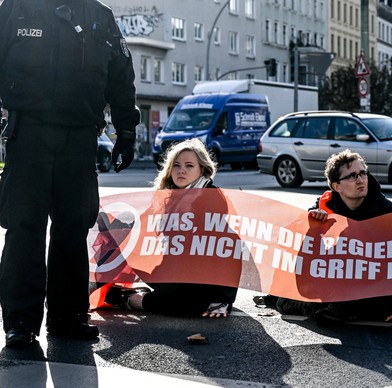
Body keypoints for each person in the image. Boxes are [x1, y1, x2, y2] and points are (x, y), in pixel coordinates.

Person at [0, 0, 140, 348]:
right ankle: (20, 321)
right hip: (27, 134)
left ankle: (68, 317)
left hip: (80, 137)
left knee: (72, 229)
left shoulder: (100, 16)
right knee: (24, 227)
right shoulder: (16, 8)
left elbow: (121, 76)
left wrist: (126, 132)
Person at [274, 149, 392, 326]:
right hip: (339, 283)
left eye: (363, 173)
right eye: (352, 176)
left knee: (357, 306)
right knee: (284, 303)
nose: (360, 180)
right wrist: (313, 224)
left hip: (374, 288)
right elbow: (304, 249)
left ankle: (334, 310)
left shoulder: (388, 212)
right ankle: (330, 309)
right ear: (336, 186)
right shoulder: (324, 206)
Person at [103, 138, 239, 318]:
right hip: (178, 271)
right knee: (121, 245)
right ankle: (103, 288)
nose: (181, 170)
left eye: (189, 166)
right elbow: (146, 231)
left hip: (207, 278)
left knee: (188, 303)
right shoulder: (168, 197)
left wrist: (224, 298)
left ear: (202, 170)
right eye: (176, 165)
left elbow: (221, 248)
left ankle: (135, 300)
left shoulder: (213, 196)